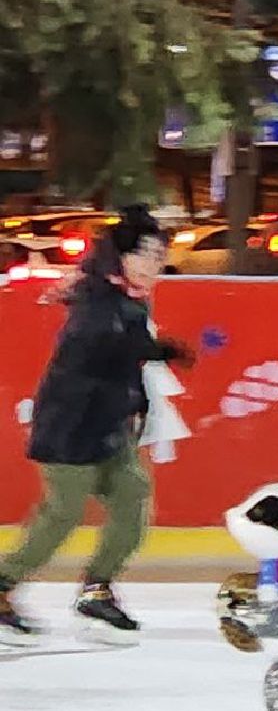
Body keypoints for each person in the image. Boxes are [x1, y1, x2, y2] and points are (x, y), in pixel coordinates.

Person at [0, 205, 193, 647]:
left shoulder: (125, 298)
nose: (154, 263)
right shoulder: (98, 299)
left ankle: (97, 589)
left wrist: (142, 385)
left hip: (108, 426)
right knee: (62, 515)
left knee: (132, 498)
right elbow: (97, 347)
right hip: (69, 426)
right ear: (119, 257)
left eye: (159, 254)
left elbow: (125, 353)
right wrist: (154, 349)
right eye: (144, 253)